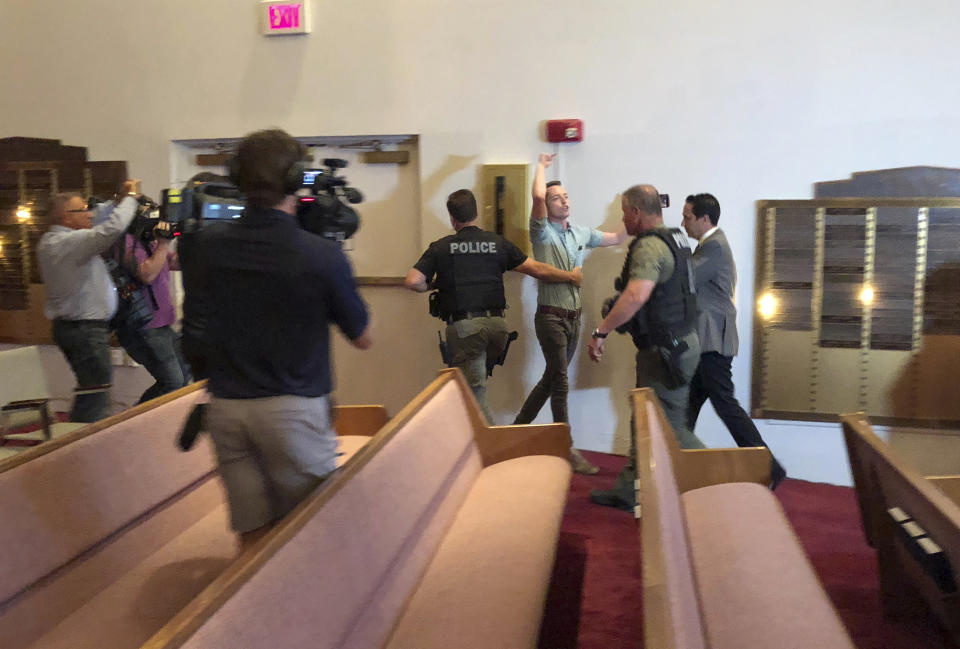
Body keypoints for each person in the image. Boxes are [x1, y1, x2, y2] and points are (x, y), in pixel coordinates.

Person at [179, 128, 372, 550]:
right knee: (312, 539)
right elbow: (362, 336)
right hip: (292, 410)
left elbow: (194, 326)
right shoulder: (320, 254)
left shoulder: (206, 246)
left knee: (253, 541)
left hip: (226, 410)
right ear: (296, 178)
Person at [405, 188, 582, 424]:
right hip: (498, 329)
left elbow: (413, 281)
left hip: (466, 330)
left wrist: (432, 286)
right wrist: (570, 276)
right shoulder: (496, 243)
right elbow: (537, 269)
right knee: (472, 385)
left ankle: (495, 449)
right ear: (476, 214)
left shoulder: (441, 247)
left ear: (453, 219)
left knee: (474, 395)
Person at [587, 184, 704, 511]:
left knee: (669, 429)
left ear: (637, 212)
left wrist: (601, 331)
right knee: (648, 419)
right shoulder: (677, 239)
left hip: (665, 351)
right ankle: (628, 489)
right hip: (681, 344)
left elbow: (636, 295)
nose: (624, 219)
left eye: (625, 212)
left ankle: (723, 478)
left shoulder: (650, 247)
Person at [513, 153, 628, 475]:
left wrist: (636, 209)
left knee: (551, 379)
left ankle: (517, 429)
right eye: (556, 198)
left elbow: (618, 237)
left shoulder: (580, 232)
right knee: (560, 383)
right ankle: (566, 449)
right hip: (550, 316)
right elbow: (536, 195)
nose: (563, 201)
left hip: (574, 318)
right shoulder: (542, 233)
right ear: (547, 205)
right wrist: (541, 166)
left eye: (565, 196)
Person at [681, 193, 787, 489]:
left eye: (687, 217)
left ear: (705, 219)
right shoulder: (708, 246)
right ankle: (676, 462)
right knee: (687, 405)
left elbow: (685, 278)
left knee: (724, 403)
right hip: (706, 340)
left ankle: (770, 467)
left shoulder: (713, 247)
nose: (683, 222)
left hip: (712, 341)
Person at [36, 181, 142, 423]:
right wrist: (132, 198)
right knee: (96, 392)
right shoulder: (68, 243)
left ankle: (77, 441)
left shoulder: (53, 241)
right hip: (84, 329)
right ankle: (82, 445)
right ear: (66, 217)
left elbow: (103, 216)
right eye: (82, 210)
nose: (89, 213)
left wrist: (119, 199)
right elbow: (111, 230)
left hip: (77, 328)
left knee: (92, 389)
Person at [113, 220, 191, 403]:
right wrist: (163, 244)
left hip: (162, 324)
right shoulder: (125, 242)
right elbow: (147, 274)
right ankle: (133, 423)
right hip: (143, 325)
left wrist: (191, 240)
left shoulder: (150, 242)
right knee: (173, 381)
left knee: (184, 374)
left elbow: (175, 262)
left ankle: (144, 421)